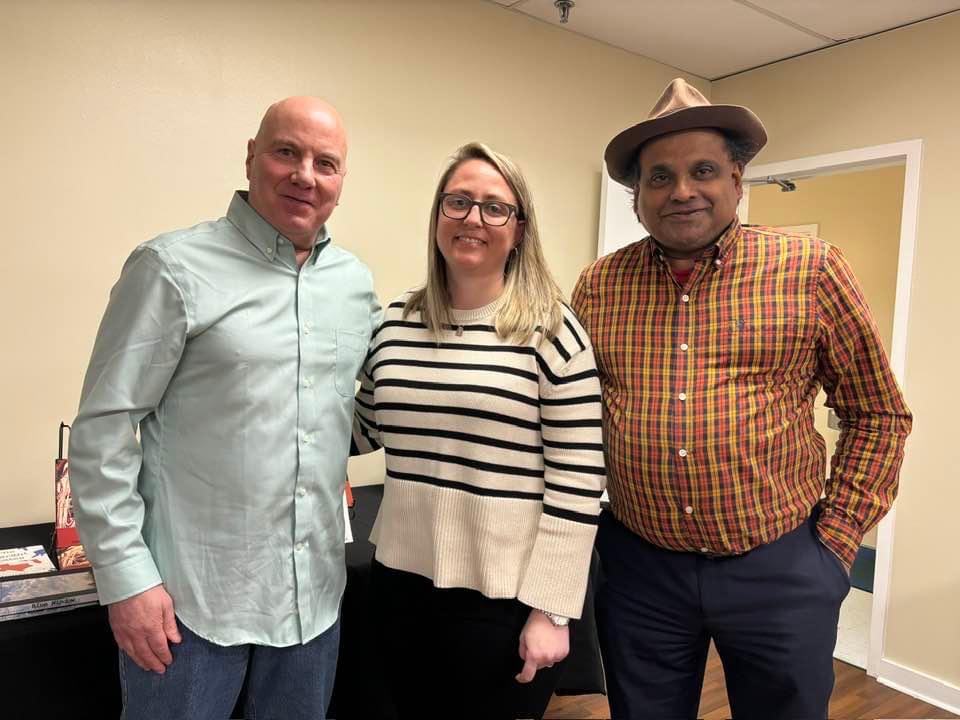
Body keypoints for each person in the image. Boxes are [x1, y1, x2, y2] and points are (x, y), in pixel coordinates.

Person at [572, 79, 912, 719]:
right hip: (640, 568)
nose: (681, 191)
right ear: (637, 196)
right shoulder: (598, 285)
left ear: (737, 177)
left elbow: (879, 413)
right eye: (659, 177)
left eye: (702, 170)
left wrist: (834, 546)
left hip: (779, 566)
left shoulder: (811, 270)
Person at [69, 96, 380, 719]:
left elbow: (357, 415)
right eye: (286, 152)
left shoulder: (355, 285)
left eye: (327, 162)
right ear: (251, 158)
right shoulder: (171, 267)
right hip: (189, 609)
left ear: (341, 182)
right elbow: (102, 430)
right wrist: (127, 580)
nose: (305, 175)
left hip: (311, 605)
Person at [350, 142, 606, 719]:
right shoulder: (393, 324)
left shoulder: (551, 331)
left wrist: (552, 610)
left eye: (495, 208)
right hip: (400, 583)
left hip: (506, 601)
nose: (473, 218)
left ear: (519, 230)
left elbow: (579, 478)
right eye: (458, 202)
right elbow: (362, 433)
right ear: (438, 216)